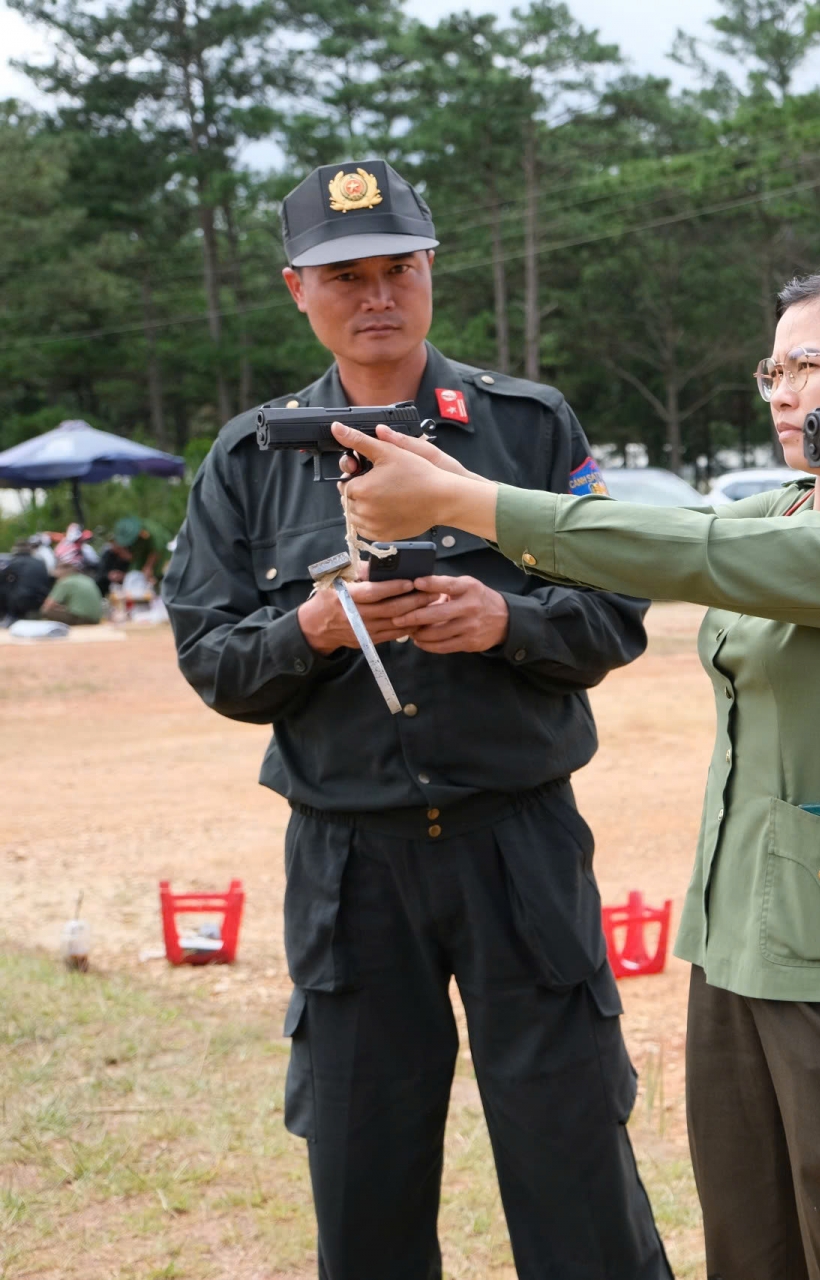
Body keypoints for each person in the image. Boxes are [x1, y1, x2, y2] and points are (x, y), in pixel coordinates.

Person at [330, 260, 820, 1280]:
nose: (782, 390)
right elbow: (657, 540)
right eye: (770, 369)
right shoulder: (785, 508)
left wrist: (471, 501)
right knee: (751, 1250)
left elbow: (690, 556)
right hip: (734, 940)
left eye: (808, 364)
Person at [161, 158, 670, 1280]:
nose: (377, 296)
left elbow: (618, 611)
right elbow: (212, 658)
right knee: (364, 1166)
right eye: (346, 277)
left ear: (433, 272)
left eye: (399, 268)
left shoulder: (525, 428)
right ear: (299, 290)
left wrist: (508, 619)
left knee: (572, 1147)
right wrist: (315, 631)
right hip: (351, 863)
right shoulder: (252, 460)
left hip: (517, 843)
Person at [41, 539, 103, 625]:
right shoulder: (86, 579)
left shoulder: (65, 582)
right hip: (95, 619)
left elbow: (48, 606)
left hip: (81, 620)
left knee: (47, 611)